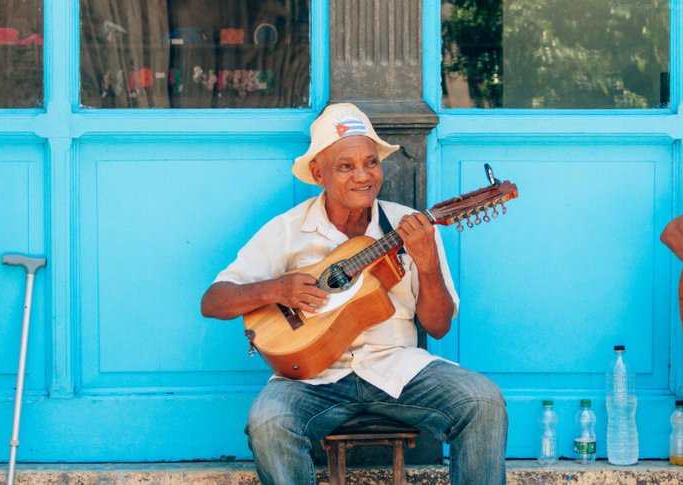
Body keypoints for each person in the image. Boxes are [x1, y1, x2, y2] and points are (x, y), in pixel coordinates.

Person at [201, 103, 508, 485]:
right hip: (311, 378)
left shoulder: (409, 225)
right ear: (318, 173)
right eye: (346, 166)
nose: (363, 176)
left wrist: (427, 264)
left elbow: (439, 326)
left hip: (396, 368)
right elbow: (213, 301)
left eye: (371, 163)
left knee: (483, 402)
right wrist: (277, 288)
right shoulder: (288, 230)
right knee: (268, 421)